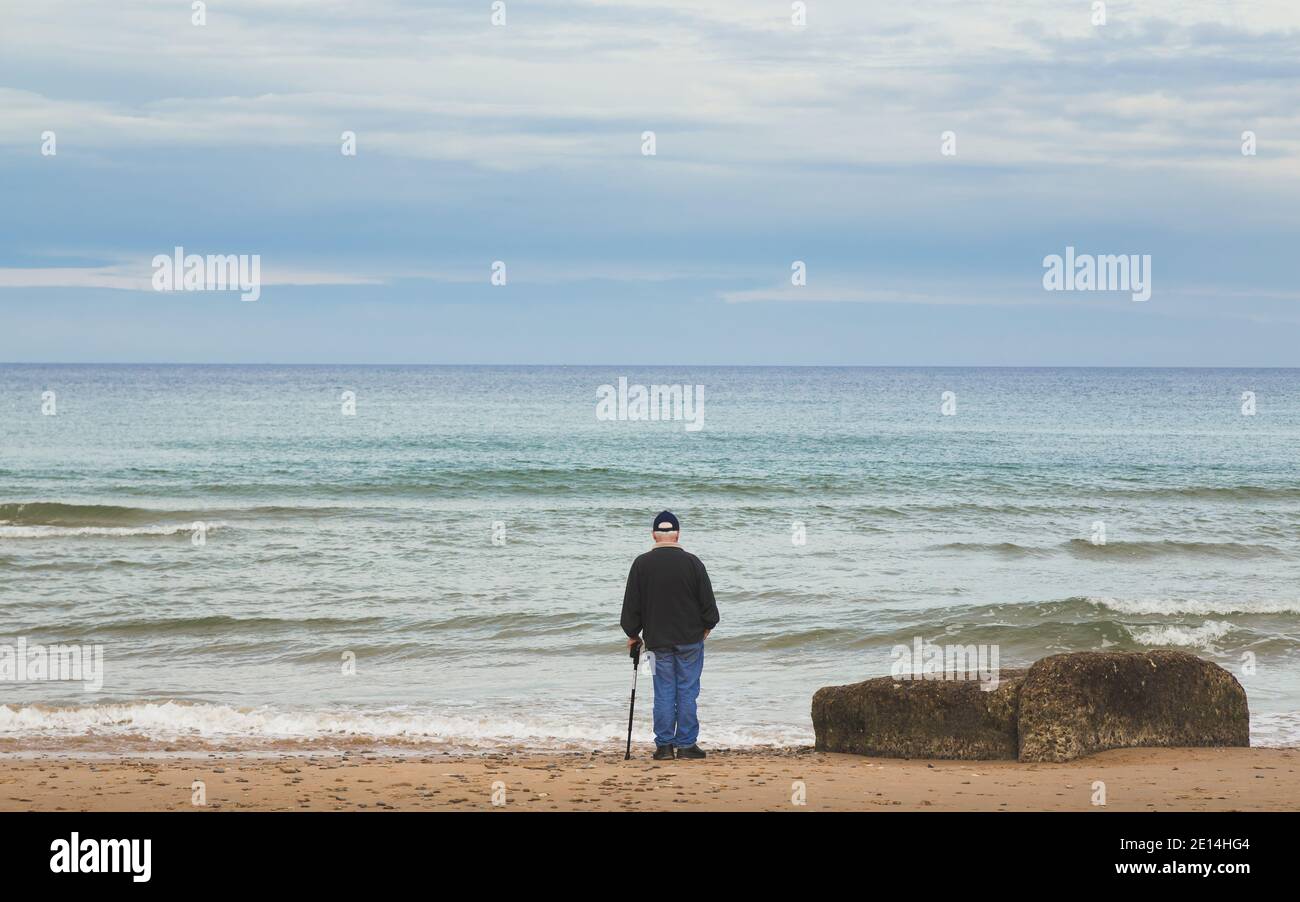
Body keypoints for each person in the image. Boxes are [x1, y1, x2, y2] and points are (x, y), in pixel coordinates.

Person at [620, 510, 720, 760]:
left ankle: (664, 747)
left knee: (663, 691)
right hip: (690, 640)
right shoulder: (693, 563)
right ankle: (686, 745)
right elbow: (709, 607)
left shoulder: (641, 564)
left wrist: (633, 634)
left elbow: (632, 605)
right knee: (687, 690)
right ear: (677, 535)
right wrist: (706, 627)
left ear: (654, 535)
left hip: (657, 642)